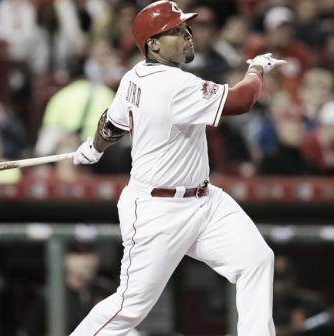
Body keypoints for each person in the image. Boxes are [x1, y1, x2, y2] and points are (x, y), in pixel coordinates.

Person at [70, 1, 286, 334]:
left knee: (256, 260)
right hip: (158, 209)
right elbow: (242, 101)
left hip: (204, 201)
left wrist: (94, 148)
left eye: (186, 28)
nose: (188, 35)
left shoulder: (133, 76)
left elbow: (111, 126)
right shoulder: (174, 85)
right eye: (176, 31)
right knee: (129, 308)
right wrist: (256, 70)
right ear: (153, 44)